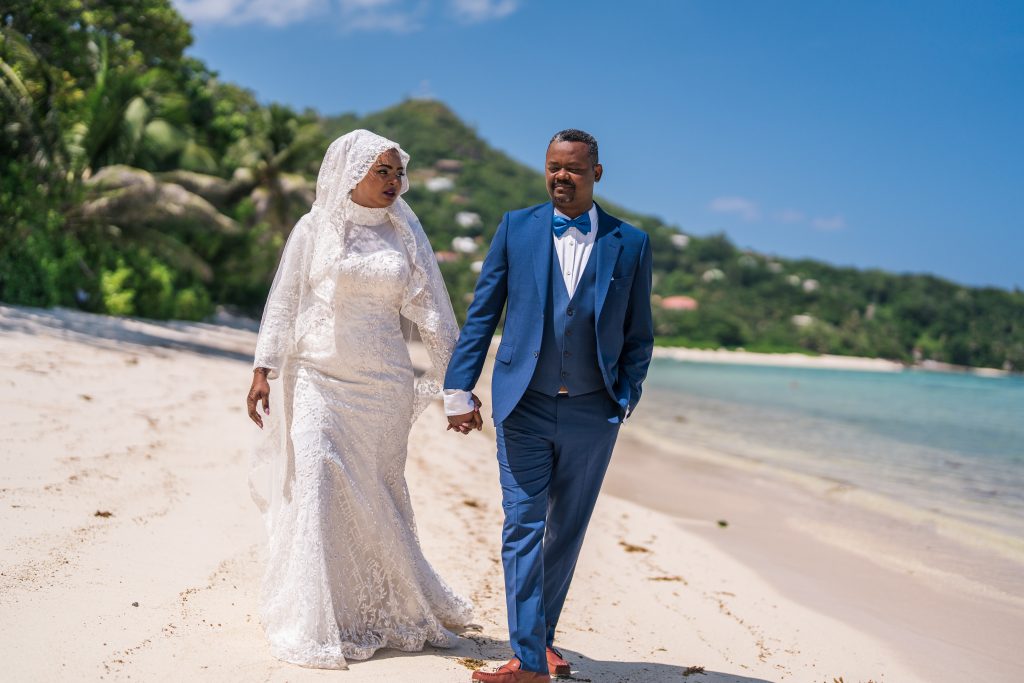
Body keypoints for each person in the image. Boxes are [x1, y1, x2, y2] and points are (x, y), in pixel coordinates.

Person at [245, 129, 474, 669]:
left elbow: (436, 316)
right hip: (319, 377)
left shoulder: (405, 235)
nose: (394, 181)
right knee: (320, 484)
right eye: (383, 171)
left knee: (376, 493)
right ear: (350, 174)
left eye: (398, 172)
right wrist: (263, 369)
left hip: (384, 385)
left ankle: (376, 605)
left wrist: (456, 389)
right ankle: (318, 616)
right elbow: (284, 300)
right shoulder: (312, 228)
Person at [443, 129, 654, 682]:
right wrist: (457, 388)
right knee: (523, 525)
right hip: (524, 405)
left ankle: (543, 641)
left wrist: (624, 397)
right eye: (553, 168)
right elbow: (483, 314)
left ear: (597, 174)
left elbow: (640, 334)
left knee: (566, 531)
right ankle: (530, 660)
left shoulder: (630, 242)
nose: (562, 177)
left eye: (574, 170)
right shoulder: (517, 227)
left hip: (594, 411)